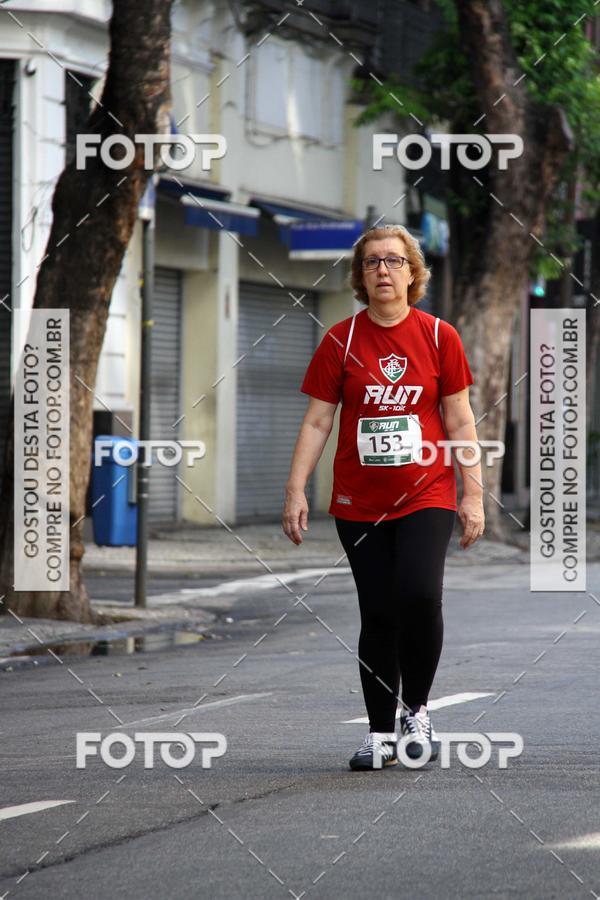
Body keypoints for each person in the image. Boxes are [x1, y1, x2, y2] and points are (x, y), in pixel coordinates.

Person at [282, 224, 485, 771]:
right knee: (377, 612)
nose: (383, 271)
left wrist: (473, 494)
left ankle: (416, 711)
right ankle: (378, 734)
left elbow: (460, 420)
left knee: (418, 595)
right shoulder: (341, 340)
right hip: (359, 501)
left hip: (427, 494)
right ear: (360, 275)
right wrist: (296, 488)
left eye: (394, 261)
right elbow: (318, 421)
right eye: (372, 262)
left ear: (413, 272)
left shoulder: (439, 337)